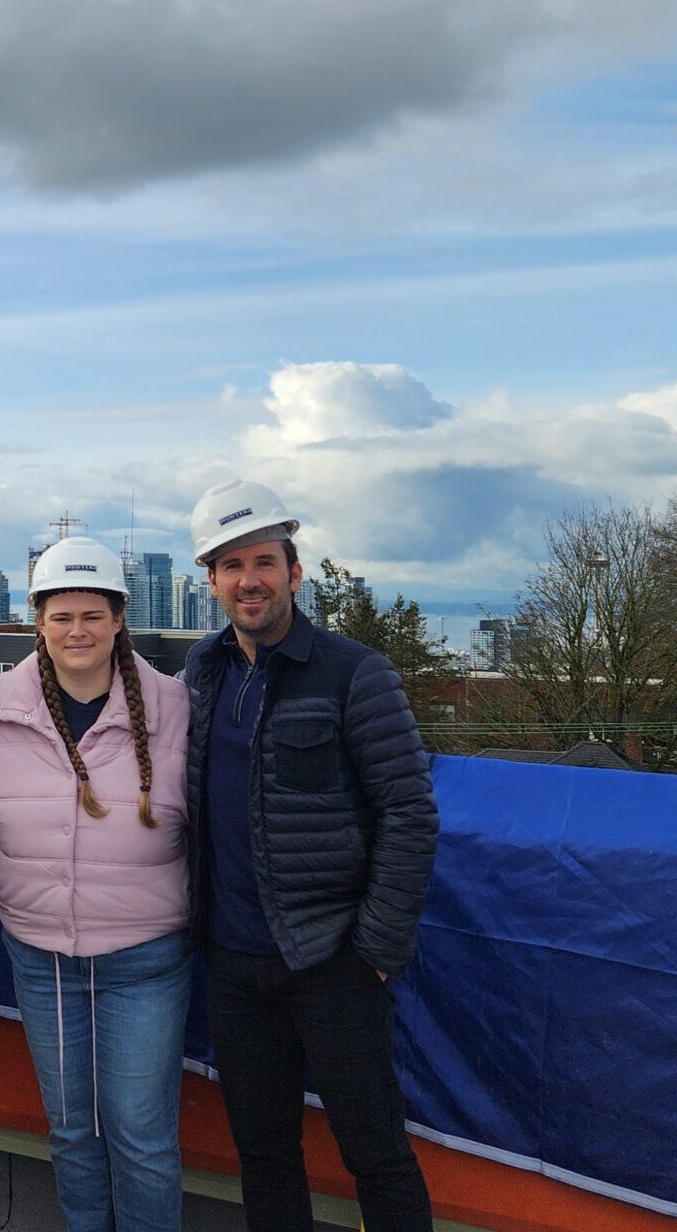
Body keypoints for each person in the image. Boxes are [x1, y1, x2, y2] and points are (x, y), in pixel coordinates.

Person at [182, 479, 439, 1232]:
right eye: (230, 566)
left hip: (330, 961)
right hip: (233, 964)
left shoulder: (353, 671)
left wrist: (375, 949)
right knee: (263, 1151)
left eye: (263, 561)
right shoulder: (201, 674)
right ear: (212, 582)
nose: (248, 579)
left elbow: (408, 809)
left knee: (375, 1152)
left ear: (294, 572)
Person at [0, 537, 193, 1232]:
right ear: (36, 619)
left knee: (139, 1133)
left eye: (92, 614)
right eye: (60, 615)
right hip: (42, 957)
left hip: (144, 957)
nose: (77, 631)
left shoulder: (175, 705)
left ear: (120, 617)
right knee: (70, 1129)